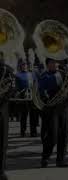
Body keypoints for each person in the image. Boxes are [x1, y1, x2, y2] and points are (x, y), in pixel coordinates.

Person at [39, 58, 68, 168]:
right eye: (53, 62)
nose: (56, 64)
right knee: (53, 136)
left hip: (64, 108)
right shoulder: (45, 75)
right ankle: (45, 157)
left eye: (56, 62)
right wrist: (58, 76)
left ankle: (61, 160)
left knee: (63, 135)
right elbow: (45, 85)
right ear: (48, 64)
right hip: (52, 109)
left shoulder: (64, 74)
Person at [0, 52, 14, 180]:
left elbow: (11, 88)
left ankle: (1, 171)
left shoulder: (8, 71)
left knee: (2, 141)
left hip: (2, 109)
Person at [15, 60, 37, 137]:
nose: (24, 66)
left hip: (32, 97)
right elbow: (16, 87)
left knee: (33, 116)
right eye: (23, 65)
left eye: (25, 65)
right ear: (20, 66)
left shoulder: (32, 74)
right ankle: (22, 132)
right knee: (23, 116)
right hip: (23, 98)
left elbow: (35, 85)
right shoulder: (18, 75)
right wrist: (18, 93)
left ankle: (33, 132)